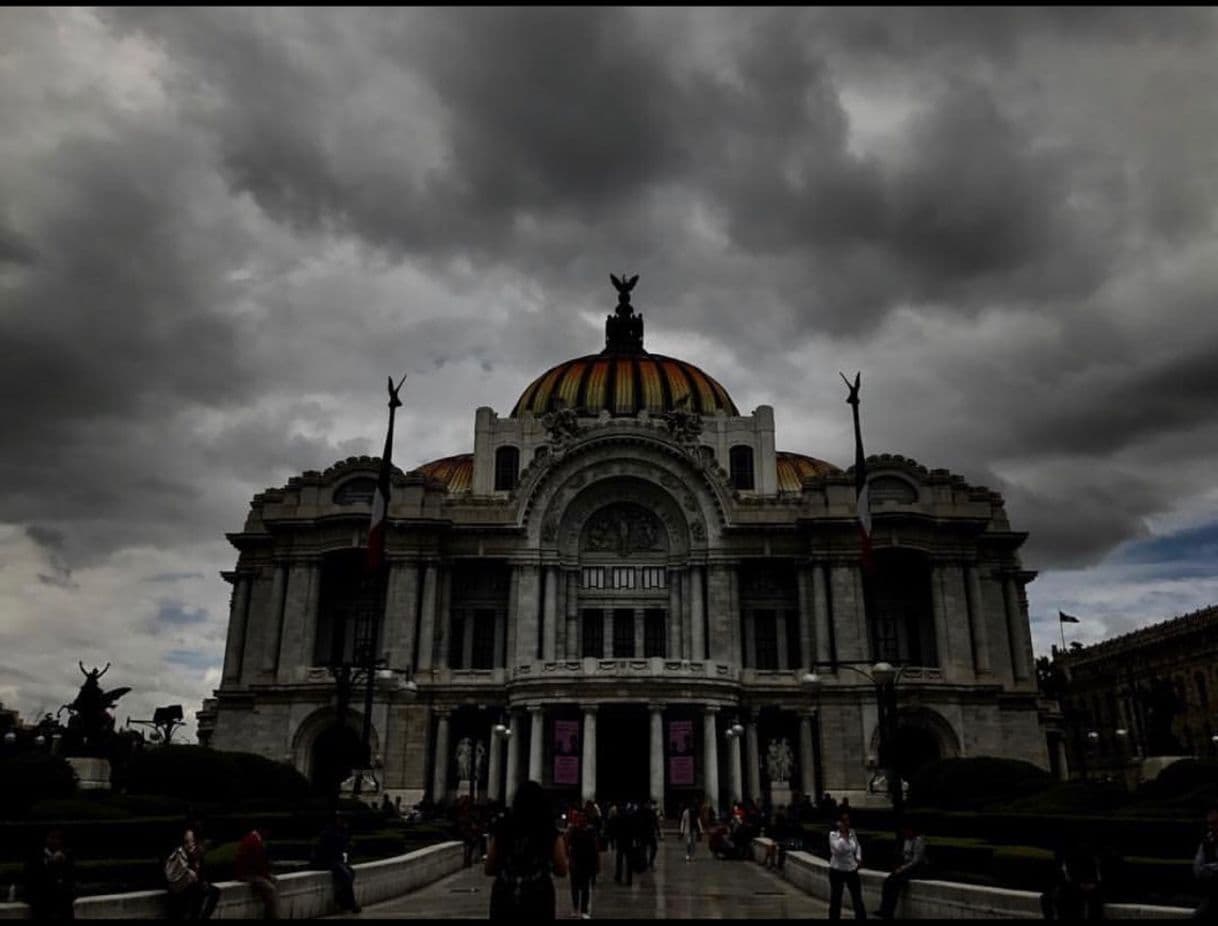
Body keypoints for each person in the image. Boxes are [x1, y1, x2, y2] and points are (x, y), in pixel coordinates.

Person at [486, 780, 567, 920]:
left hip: (505, 894)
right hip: (538, 895)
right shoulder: (549, 831)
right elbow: (561, 869)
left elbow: (489, 868)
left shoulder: (503, 828)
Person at [165, 823, 221, 920]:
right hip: (180, 892)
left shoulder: (198, 856)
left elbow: (201, 877)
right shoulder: (179, 854)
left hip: (192, 892)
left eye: (192, 842)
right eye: (187, 842)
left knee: (209, 891)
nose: (190, 845)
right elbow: (172, 875)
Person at [1039, 840, 1103, 920]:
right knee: (1047, 898)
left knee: (1065, 897)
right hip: (1071, 886)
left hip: (1082, 885)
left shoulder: (1085, 851)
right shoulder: (1064, 853)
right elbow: (1063, 873)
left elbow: (1095, 877)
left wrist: (1088, 884)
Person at [875, 823, 928, 919]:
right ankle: (884, 909)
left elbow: (916, 860)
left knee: (895, 884)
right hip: (905, 867)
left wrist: (902, 868)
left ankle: (889, 912)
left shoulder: (919, 840)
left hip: (915, 869)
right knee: (888, 881)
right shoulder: (907, 840)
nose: (906, 834)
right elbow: (905, 855)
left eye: (907, 831)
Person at [24, 829, 75, 920]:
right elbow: (32, 878)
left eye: (58, 838)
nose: (55, 841)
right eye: (52, 838)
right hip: (43, 906)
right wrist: (49, 863)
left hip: (63, 907)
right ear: (46, 839)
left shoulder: (67, 856)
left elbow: (71, 879)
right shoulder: (36, 856)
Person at [315, 814, 360, 914]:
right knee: (346, 875)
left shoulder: (339, 831)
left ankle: (341, 897)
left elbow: (343, 846)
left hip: (335, 860)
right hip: (327, 861)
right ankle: (351, 903)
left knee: (351, 872)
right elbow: (335, 846)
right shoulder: (330, 832)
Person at [234, 824, 279, 919]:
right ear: (263, 830)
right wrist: (266, 875)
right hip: (247, 874)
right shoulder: (253, 841)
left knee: (273, 882)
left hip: (252, 872)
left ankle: (270, 914)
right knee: (270, 889)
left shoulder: (254, 839)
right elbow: (256, 863)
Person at [828, 812, 866, 920]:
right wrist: (844, 836)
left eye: (847, 820)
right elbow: (839, 850)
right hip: (837, 870)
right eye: (843, 821)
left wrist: (858, 858)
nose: (846, 823)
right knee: (836, 898)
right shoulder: (833, 835)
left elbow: (858, 846)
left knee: (857, 898)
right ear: (838, 823)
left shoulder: (852, 833)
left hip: (851, 869)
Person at [565, 810, 600, 919]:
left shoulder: (591, 831)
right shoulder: (573, 830)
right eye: (580, 817)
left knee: (585, 888)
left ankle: (584, 910)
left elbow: (595, 847)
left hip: (587, 862)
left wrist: (597, 862)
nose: (581, 819)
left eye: (583, 817)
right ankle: (575, 909)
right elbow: (567, 843)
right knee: (575, 887)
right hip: (575, 862)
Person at [1192, 807, 1218, 920]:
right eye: (1209, 824)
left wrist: (1209, 867)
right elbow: (1198, 870)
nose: (1210, 828)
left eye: (1214, 824)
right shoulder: (1206, 843)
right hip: (1212, 897)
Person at [613, 804, 636, 885]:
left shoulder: (617, 818)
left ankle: (618, 876)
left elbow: (614, 829)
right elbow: (633, 829)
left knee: (619, 859)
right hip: (628, 841)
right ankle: (629, 879)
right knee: (629, 861)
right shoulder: (630, 817)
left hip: (620, 841)